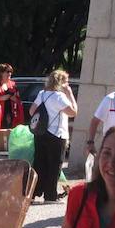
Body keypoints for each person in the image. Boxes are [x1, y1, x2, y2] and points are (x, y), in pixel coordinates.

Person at [30, 69, 77, 202]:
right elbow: (73, 112)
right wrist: (70, 94)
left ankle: (34, 192)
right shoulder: (59, 97)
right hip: (57, 135)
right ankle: (50, 195)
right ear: (60, 83)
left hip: (41, 133)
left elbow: (32, 111)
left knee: (39, 163)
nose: (67, 85)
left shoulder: (42, 94)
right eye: (66, 82)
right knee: (55, 165)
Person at [0, 63, 25, 128]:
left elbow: (19, 101)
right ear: (1, 73)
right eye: (8, 72)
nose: (10, 74)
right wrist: (1, 98)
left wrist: (15, 99)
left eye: (11, 72)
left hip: (12, 115)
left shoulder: (13, 85)